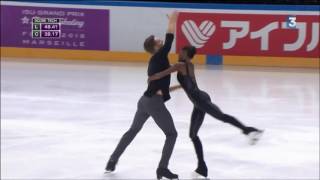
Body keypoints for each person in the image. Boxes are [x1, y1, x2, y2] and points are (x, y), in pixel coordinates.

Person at [148, 45, 264, 178]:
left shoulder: (180, 65)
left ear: (186, 54)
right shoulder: (189, 65)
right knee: (193, 135)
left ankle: (249, 131)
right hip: (199, 100)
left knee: (222, 117)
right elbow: (183, 82)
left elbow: (162, 73)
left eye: (181, 52)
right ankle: (201, 168)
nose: (179, 53)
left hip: (200, 100)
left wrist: (152, 77)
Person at [105, 12, 180, 180]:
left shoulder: (157, 60)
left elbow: (160, 87)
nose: (161, 40)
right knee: (172, 134)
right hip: (153, 103)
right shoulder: (159, 56)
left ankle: (112, 160)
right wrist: (174, 20)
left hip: (144, 101)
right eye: (157, 41)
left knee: (132, 131)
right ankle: (162, 168)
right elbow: (170, 38)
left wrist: (181, 86)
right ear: (155, 47)